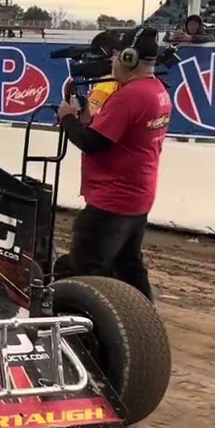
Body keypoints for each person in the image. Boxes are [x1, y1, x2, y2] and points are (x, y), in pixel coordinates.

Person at [55, 27, 170, 301]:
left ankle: (91, 321)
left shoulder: (130, 96)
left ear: (129, 57)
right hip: (137, 196)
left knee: (88, 271)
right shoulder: (156, 90)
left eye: (117, 55)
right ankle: (144, 316)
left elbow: (92, 142)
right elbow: (111, 133)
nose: (113, 61)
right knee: (128, 266)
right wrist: (84, 118)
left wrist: (67, 118)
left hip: (112, 200)